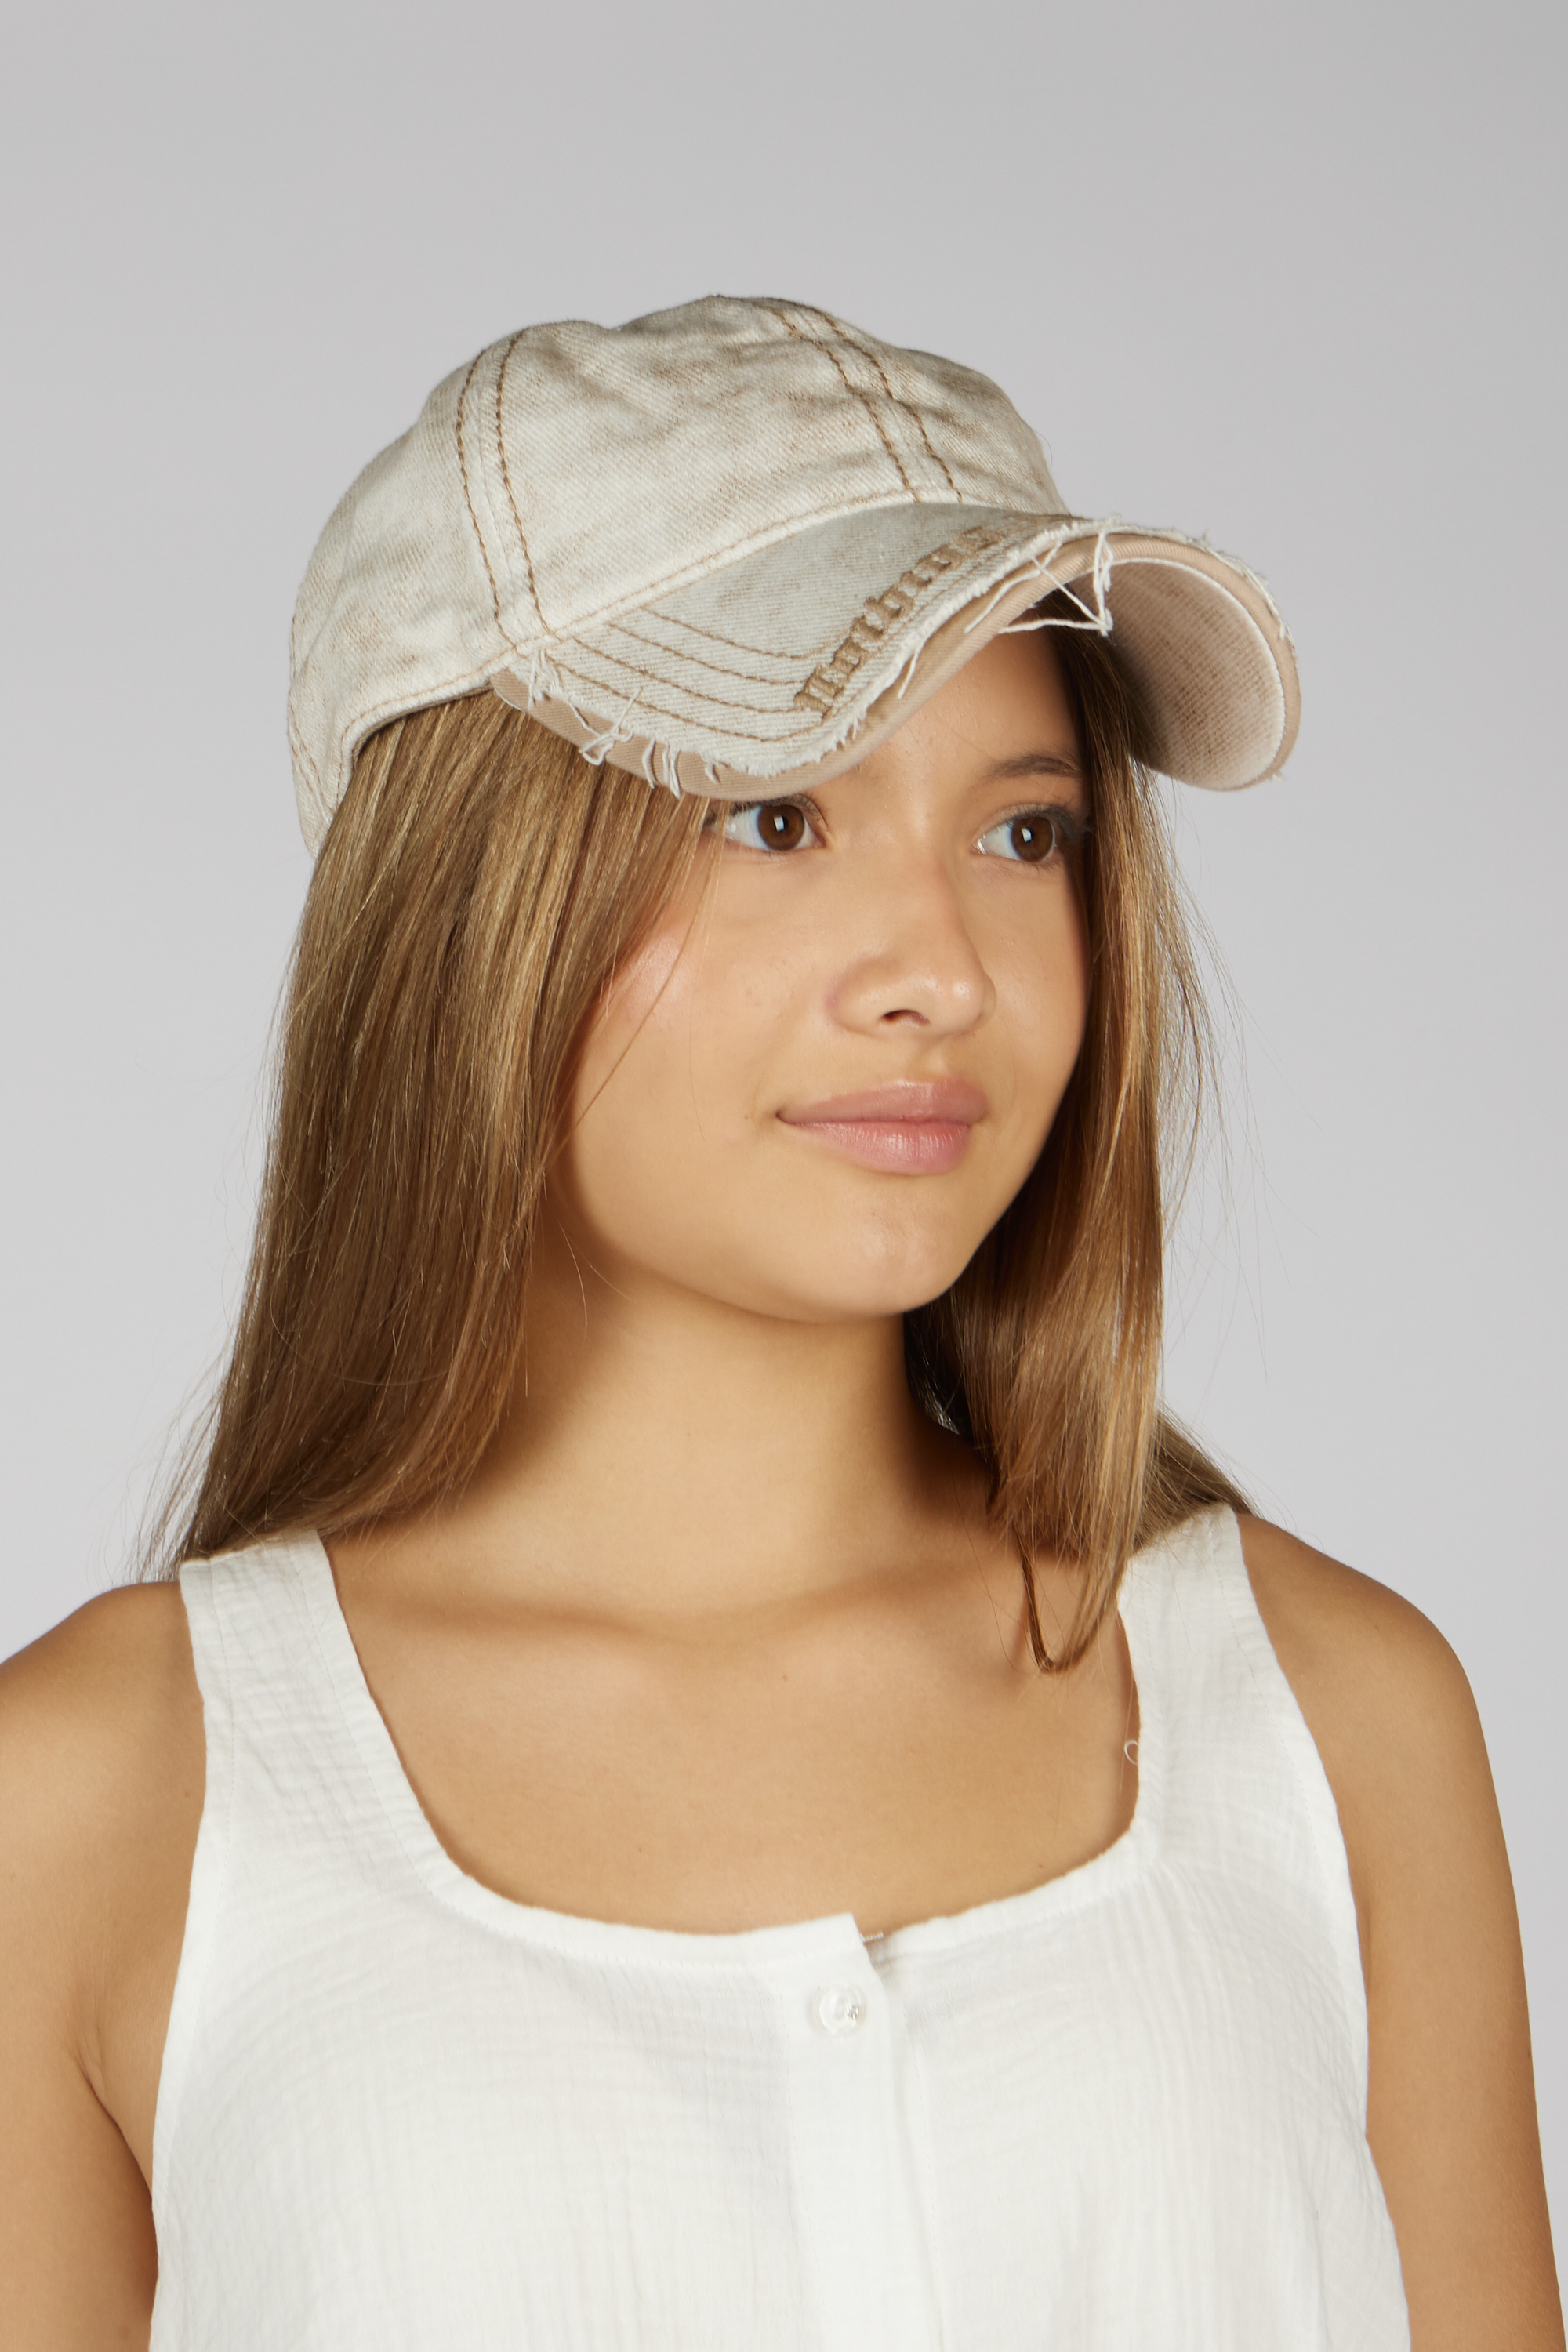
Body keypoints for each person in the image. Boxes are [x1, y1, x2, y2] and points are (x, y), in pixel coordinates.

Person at [0, 297, 1559, 2352]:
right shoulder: (105, 1802)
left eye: (1024, 832)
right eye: (773, 816)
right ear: (464, 903)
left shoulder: (1335, 1721)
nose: (942, 967)